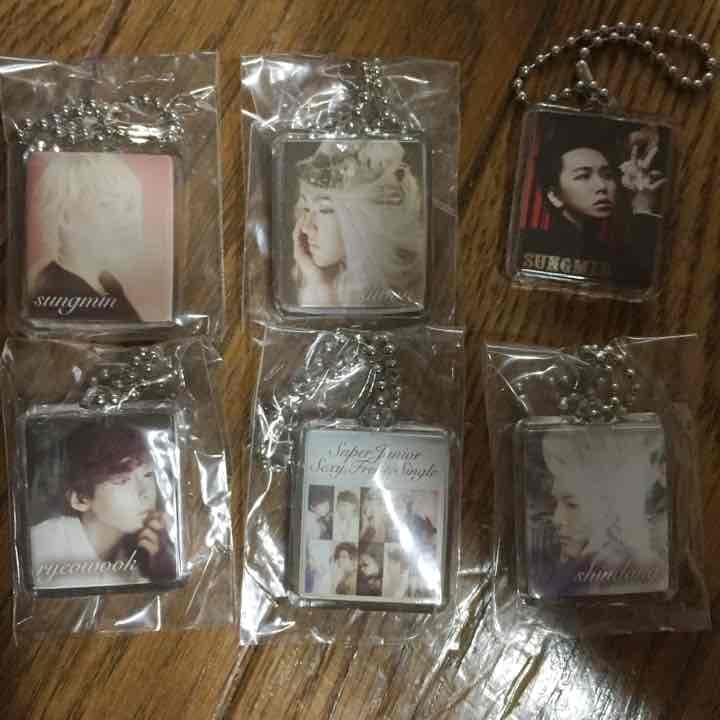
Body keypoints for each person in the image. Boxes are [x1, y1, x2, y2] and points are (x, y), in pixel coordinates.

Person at [519, 119, 667, 288]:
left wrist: (642, 205)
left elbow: (642, 280)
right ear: (554, 196)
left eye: (607, 175)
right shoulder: (529, 243)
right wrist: (643, 210)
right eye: (583, 176)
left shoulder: (611, 253)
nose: (601, 186)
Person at [30, 422, 177, 590]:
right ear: (81, 499)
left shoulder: (141, 555)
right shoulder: (44, 544)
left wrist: (161, 572)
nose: (144, 493)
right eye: (122, 480)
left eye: (148, 474)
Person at [26, 152, 163, 323]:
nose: (128, 220)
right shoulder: (53, 292)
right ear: (65, 216)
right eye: (107, 205)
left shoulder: (108, 283)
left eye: (128, 207)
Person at [533, 427, 669, 598]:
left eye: (572, 505)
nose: (556, 519)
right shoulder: (577, 574)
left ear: (612, 507)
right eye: (557, 503)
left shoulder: (647, 576)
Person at [289, 140, 426, 309]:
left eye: (325, 210)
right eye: (306, 208)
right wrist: (318, 283)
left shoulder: (393, 299)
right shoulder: (335, 285)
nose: (306, 227)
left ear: (363, 218)